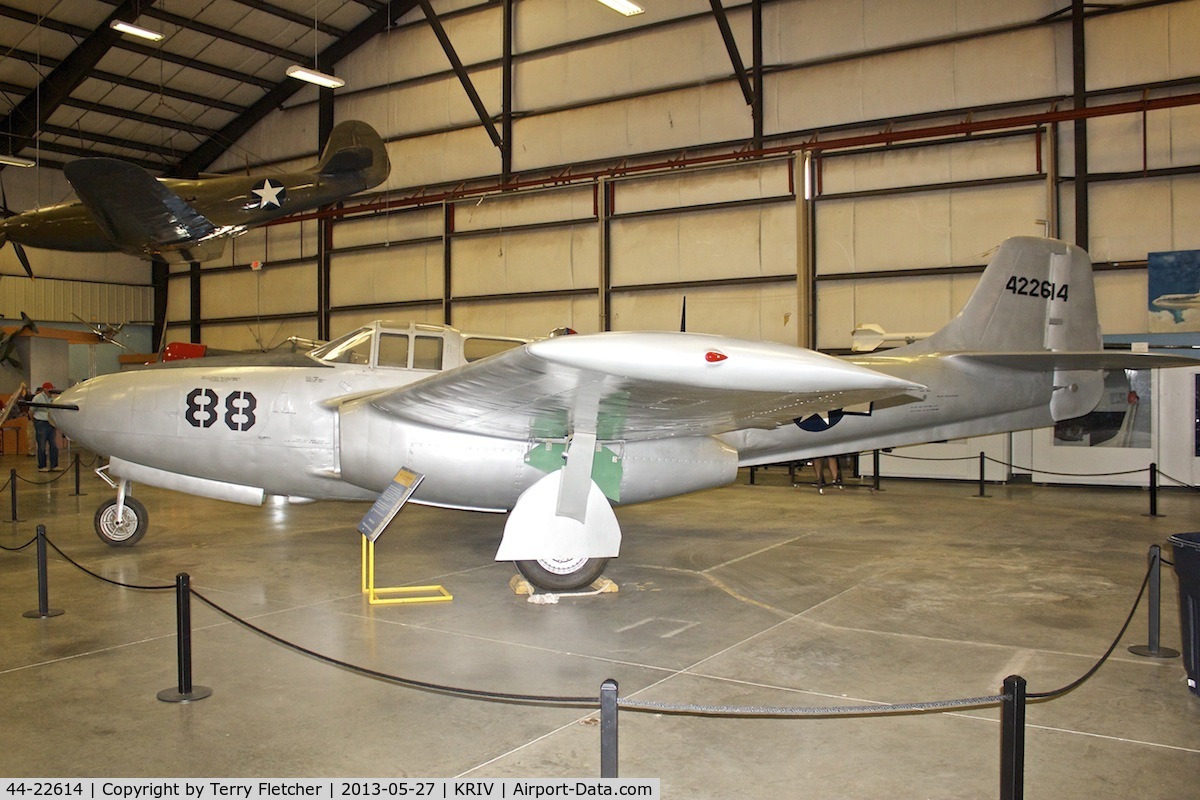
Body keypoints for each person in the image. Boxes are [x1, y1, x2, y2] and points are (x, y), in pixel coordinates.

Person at [31, 382, 59, 472]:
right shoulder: (37, 398)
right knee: (42, 446)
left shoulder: (53, 399)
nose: (51, 390)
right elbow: (31, 411)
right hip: (41, 423)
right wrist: (35, 422)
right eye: (50, 389)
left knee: (53, 445)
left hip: (50, 423)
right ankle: (42, 466)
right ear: (45, 389)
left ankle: (54, 465)